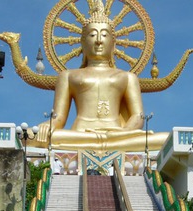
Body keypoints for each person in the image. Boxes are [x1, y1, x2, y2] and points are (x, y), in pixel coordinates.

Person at [30, 3, 168, 153]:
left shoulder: (128, 77)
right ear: (82, 42)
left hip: (117, 135)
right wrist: (48, 125)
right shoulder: (68, 76)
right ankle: (103, 144)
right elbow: (59, 117)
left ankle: (104, 144)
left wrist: (124, 132)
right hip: (81, 134)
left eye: (104, 35)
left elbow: (138, 117)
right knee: (29, 136)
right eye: (92, 35)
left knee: (166, 139)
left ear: (113, 43)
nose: (98, 40)